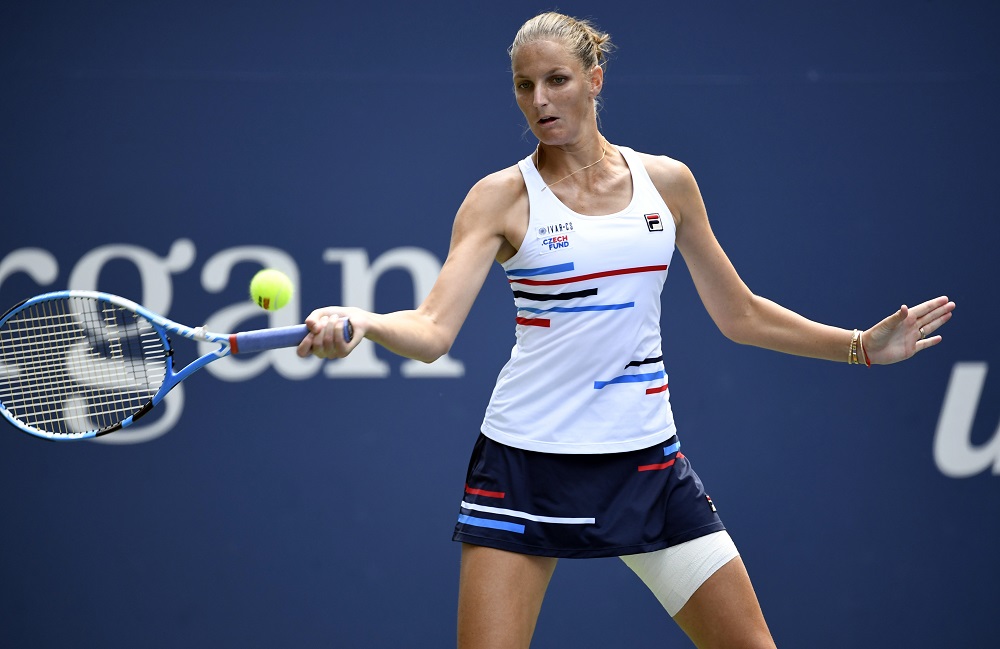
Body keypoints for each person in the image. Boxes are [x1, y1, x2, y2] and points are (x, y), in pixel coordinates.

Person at [296, 11, 955, 649]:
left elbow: (741, 313)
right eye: (525, 85)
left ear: (595, 78)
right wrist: (366, 320)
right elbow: (433, 328)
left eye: (556, 79)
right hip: (526, 465)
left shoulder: (667, 184)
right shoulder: (499, 197)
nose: (540, 99)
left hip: (649, 465)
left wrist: (860, 347)